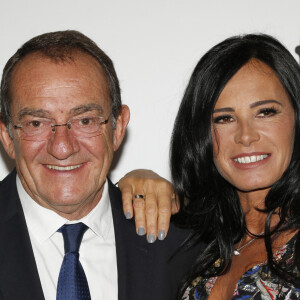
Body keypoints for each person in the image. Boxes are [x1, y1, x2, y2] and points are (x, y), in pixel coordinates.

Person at [0, 30, 200, 300]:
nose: (62, 147)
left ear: (117, 128)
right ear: (7, 136)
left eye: (85, 121)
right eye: (37, 123)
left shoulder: (186, 244)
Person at [119, 34, 300, 299]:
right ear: (201, 135)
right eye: (224, 118)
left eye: (265, 112)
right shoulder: (196, 243)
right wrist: (135, 183)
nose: (246, 136)